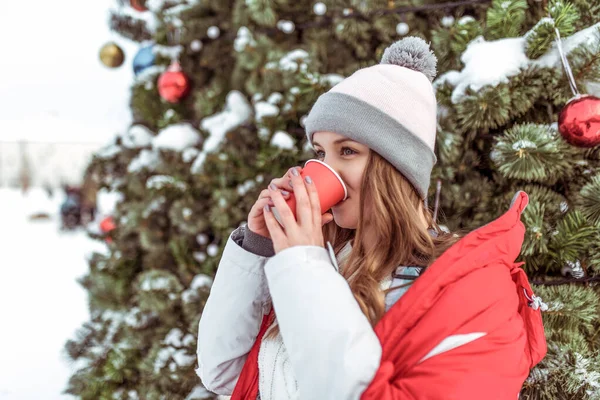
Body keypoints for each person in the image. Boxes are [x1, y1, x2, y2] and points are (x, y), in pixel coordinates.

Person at [196, 37, 547, 400]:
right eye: (319, 151)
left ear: (396, 168)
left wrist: (303, 266)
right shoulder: (332, 261)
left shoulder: (473, 290)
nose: (321, 169)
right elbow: (223, 373)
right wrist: (259, 247)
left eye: (347, 150)